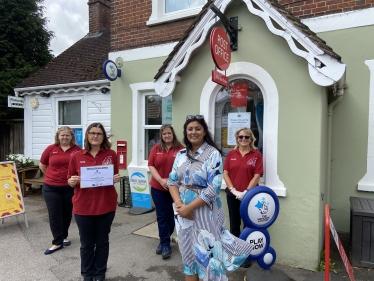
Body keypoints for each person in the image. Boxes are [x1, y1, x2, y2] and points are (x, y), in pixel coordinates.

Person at [168, 115, 253, 281]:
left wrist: (188, 208)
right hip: (182, 214)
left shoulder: (212, 154)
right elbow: (172, 181)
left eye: (197, 128)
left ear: (204, 131)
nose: (194, 132)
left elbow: (213, 188)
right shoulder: (180, 154)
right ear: (185, 132)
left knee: (206, 257)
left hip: (204, 214)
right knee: (188, 255)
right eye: (190, 129)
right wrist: (180, 205)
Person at [67, 123, 121, 281]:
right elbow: (69, 178)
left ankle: (100, 273)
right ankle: (87, 274)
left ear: (103, 136)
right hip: (83, 206)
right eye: (92, 133)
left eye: (98, 133)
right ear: (87, 136)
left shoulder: (111, 154)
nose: (95, 136)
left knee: (103, 241)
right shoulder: (76, 156)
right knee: (86, 243)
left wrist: (115, 178)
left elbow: (115, 174)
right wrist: (71, 181)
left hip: (106, 205)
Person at [40, 126, 82, 255]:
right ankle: (57, 242)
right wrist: (52, 176)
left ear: (71, 137)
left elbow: (81, 167)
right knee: (54, 215)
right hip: (51, 188)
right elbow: (43, 165)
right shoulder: (51, 149)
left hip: (69, 187)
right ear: (58, 136)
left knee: (67, 214)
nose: (65, 137)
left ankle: (64, 237)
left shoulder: (77, 150)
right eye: (62, 135)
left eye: (67, 135)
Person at [148, 124, 184, 259]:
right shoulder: (156, 148)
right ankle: (165, 244)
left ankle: (165, 239)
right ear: (161, 136)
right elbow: (151, 165)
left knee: (173, 216)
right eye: (164, 134)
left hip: (176, 189)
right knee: (162, 216)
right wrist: (161, 180)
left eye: (169, 133)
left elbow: (184, 167)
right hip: (158, 187)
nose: (167, 136)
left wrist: (172, 182)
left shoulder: (181, 149)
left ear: (173, 134)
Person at [223, 127, 263, 238]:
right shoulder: (231, 154)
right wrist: (233, 190)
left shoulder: (256, 155)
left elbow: (257, 176)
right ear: (237, 139)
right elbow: (225, 174)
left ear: (251, 139)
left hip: (250, 195)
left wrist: (246, 192)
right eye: (240, 137)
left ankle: (247, 251)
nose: (243, 139)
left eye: (246, 137)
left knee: (248, 224)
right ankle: (235, 251)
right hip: (233, 195)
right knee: (234, 223)